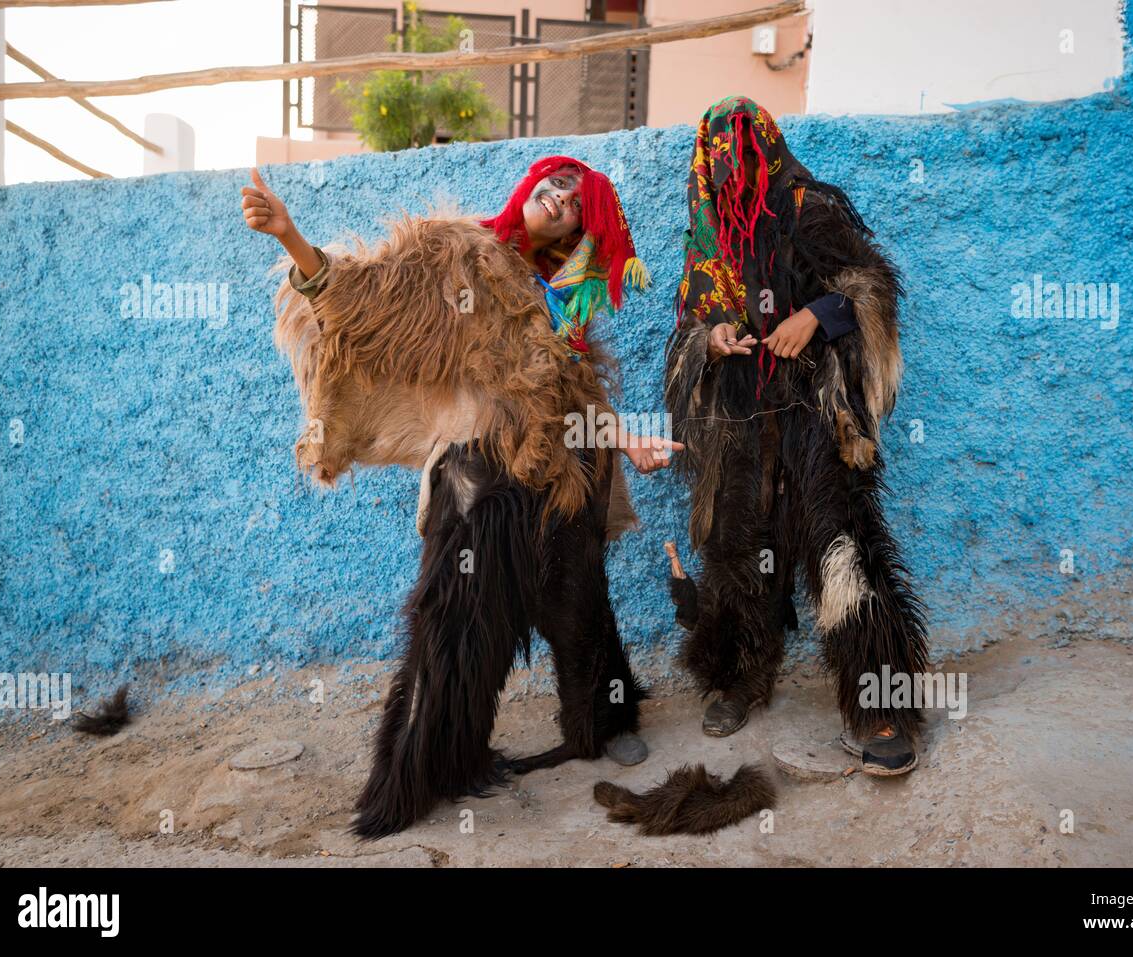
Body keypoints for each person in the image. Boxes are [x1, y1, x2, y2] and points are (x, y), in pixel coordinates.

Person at [241, 156, 681, 836]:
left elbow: (579, 399)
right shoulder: (456, 252)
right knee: (454, 624)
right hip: (477, 477)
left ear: (581, 238)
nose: (562, 197)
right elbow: (356, 297)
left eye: (577, 202)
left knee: (581, 600)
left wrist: (630, 442)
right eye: (558, 182)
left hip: (561, 474)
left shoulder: (561, 301)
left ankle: (603, 719)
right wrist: (290, 238)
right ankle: (421, 772)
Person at [663, 96, 930, 776]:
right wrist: (710, 341)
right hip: (741, 422)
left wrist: (813, 316)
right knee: (735, 546)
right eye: (720, 157)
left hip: (815, 410)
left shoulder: (811, 209)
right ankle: (739, 679)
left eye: (747, 150)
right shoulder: (709, 242)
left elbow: (869, 285)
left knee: (842, 545)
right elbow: (687, 327)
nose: (734, 167)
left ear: (771, 148)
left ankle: (881, 706)